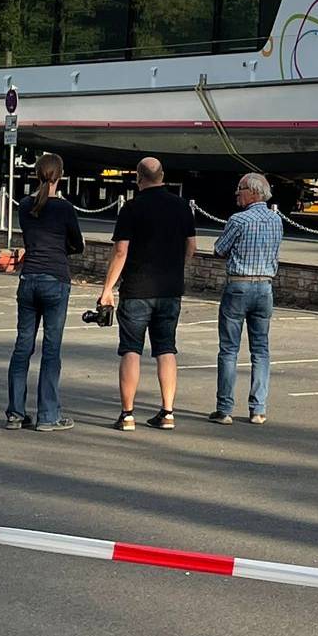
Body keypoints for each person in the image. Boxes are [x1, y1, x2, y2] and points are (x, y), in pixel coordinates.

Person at [99, 157, 196, 432]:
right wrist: (176, 269)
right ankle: (167, 412)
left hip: (137, 289)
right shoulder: (181, 206)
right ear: (163, 175)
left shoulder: (132, 208)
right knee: (166, 348)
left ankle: (127, 414)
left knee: (131, 349)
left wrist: (107, 289)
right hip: (170, 289)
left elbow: (121, 251)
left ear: (139, 177)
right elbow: (191, 247)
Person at [8, 153, 84, 432]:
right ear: (60, 176)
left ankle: (15, 413)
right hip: (55, 279)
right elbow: (78, 244)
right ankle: (48, 416)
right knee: (51, 349)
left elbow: (31, 237)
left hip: (28, 280)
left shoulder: (25, 206)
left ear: (36, 174)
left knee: (22, 347)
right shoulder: (64, 208)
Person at [211, 172, 283, 425]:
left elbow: (219, 249)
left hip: (239, 285)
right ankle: (258, 408)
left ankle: (225, 408)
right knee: (261, 350)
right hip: (265, 287)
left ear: (253, 192)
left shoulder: (238, 220)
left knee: (229, 349)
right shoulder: (276, 220)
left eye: (240, 189)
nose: (236, 194)